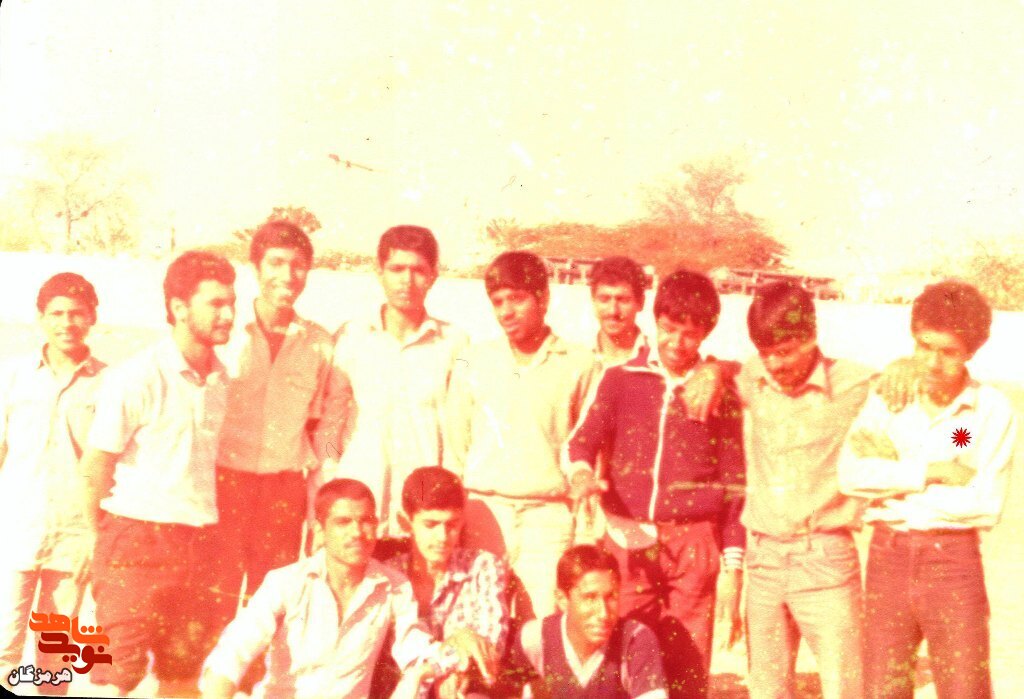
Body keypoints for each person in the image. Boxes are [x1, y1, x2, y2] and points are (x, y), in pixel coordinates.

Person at [566, 269, 745, 698]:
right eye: (668, 328)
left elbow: (734, 484)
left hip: (694, 542)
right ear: (655, 321)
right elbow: (581, 442)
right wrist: (583, 475)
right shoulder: (621, 378)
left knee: (687, 661)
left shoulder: (719, 392)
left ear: (706, 333)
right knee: (623, 649)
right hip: (628, 537)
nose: (676, 342)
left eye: (690, 334)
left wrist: (733, 565)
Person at [838, 280, 1017, 699]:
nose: (933, 363)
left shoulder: (988, 411)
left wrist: (890, 480)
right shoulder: (890, 398)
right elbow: (850, 475)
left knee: (964, 689)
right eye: (924, 346)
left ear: (972, 350)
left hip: (952, 563)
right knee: (882, 689)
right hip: (888, 559)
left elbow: (984, 503)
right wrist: (931, 472)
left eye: (948, 352)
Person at [79, 250, 236, 697]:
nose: (228, 314)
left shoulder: (222, 379)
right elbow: (95, 465)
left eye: (232, 303)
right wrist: (98, 538)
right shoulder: (137, 376)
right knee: (114, 677)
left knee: (183, 678)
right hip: (137, 541)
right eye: (216, 304)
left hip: (200, 543)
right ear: (179, 307)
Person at [203, 221, 344, 684]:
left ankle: (258, 689)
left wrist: (320, 502)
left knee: (273, 600)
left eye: (298, 265)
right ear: (255, 267)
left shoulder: (319, 342)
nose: (287, 275)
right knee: (216, 596)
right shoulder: (227, 334)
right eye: (276, 263)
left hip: (283, 489)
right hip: (224, 482)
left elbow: (321, 429)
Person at [200, 478, 473, 699]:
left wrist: (448, 653)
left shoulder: (394, 586)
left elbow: (417, 648)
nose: (357, 533)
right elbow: (234, 652)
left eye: (366, 521)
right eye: (343, 522)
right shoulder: (286, 582)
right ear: (320, 530)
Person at [444, 250, 598, 619]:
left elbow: (586, 446)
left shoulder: (580, 363)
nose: (506, 312)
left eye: (517, 299)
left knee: (542, 625)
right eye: (498, 302)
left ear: (543, 298)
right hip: (483, 512)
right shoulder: (472, 359)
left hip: (547, 518)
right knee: (477, 620)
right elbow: (455, 444)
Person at [737, 281, 872, 699]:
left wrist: (961, 451)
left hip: (825, 559)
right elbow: (721, 370)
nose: (774, 364)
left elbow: (955, 428)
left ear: (812, 336)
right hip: (763, 562)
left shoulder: (855, 384)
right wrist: (709, 371)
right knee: (766, 691)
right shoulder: (751, 376)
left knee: (845, 690)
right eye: (765, 353)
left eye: (785, 351)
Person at [321, 225, 468, 551]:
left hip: (423, 512)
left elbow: (458, 430)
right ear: (380, 272)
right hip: (360, 505)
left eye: (418, 270)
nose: (407, 280)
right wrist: (329, 481)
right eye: (397, 269)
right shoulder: (352, 336)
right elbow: (331, 421)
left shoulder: (454, 342)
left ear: (433, 276)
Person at [0, 273, 105, 696]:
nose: (67, 323)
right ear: (41, 318)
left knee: (54, 659)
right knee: (2, 649)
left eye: (77, 313)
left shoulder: (111, 383)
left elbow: (110, 470)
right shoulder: (12, 375)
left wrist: (96, 539)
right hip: (15, 532)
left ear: (92, 317)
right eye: (56, 313)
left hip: (73, 541)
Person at [382, 467, 509, 698]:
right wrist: (455, 645)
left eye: (451, 525)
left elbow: (489, 645)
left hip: (462, 688)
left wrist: (453, 670)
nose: (442, 537)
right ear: (405, 522)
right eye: (430, 525)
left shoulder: (481, 566)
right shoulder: (389, 574)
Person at [503, 544, 669, 699]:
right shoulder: (534, 639)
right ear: (562, 599)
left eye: (611, 597)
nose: (603, 614)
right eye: (589, 598)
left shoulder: (635, 640)